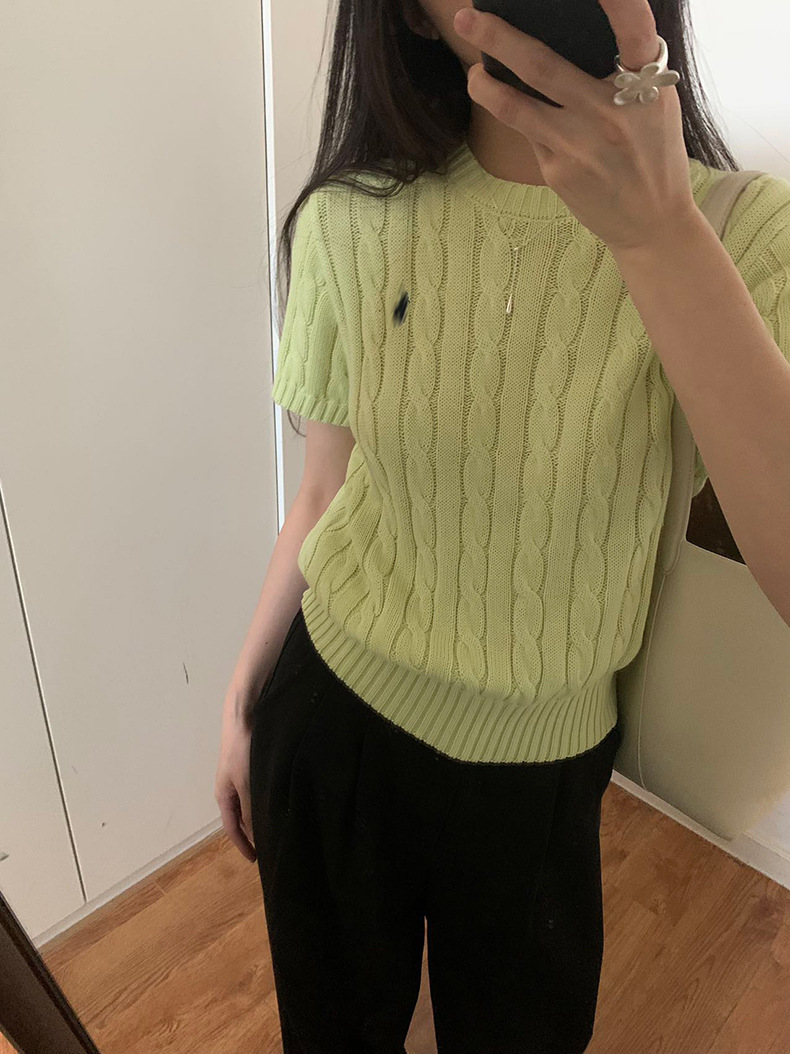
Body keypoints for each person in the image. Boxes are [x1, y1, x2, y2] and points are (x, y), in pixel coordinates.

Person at [215, 1, 790, 1051]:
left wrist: (660, 234)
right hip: (330, 716)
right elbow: (325, 493)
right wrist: (243, 692)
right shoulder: (351, 216)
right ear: (413, 16)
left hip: (541, 775)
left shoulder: (743, 235)